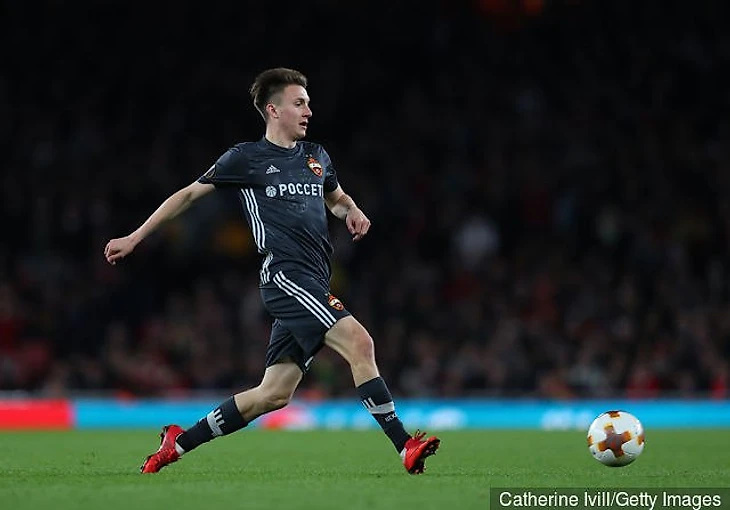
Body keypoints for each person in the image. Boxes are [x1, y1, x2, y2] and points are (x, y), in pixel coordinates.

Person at [104, 68, 440, 475]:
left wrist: (352, 210)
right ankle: (404, 444)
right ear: (273, 110)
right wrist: (135, 237)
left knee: (273, 394)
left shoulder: (316, 156)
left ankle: (177, 443)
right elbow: (189, 194)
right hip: (285, 276)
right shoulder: (246, 158)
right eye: (299, 103)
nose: (308, 111)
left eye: (308, 103)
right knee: (359, 342)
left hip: (314, 280)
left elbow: (336, 198)